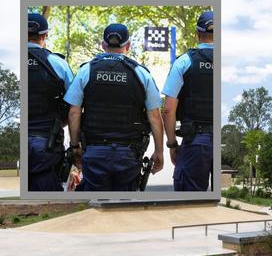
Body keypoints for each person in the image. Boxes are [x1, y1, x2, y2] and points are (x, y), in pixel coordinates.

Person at [64, 23, 164, 191]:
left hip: (95, 152)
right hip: (129, 154)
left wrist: (75, 147)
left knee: (94, 209)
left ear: (103, 45)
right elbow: (154, 117)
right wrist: (159, 152)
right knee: (124, 209)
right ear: (128, 46)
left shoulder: (86, 71)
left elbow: (74, 113)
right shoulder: (142, 73)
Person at [161, 11, 214, 191]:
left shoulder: (184, 62)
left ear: (197, 34)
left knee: (190, 206)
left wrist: (172, 144)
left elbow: (168, 110)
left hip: (196, 143)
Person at [27, 13, 74, 191]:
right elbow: (74, 108)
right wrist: (76, 147)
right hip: (46, 145)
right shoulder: (58, 64)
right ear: (45, 36)